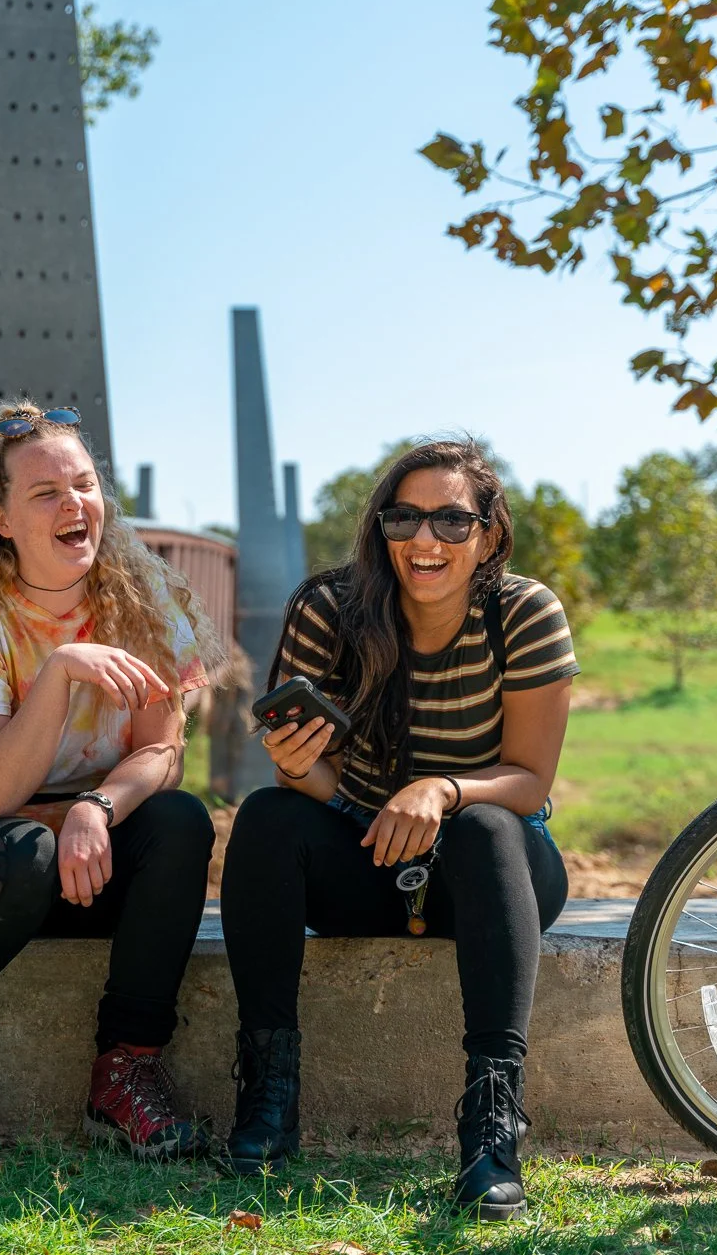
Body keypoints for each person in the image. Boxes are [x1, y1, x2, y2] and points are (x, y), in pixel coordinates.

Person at [217, 438, 576, 1220]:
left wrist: (440, 790)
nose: (426, 539)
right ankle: (269, 1093)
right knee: (269, 817)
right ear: (380, 528)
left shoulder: (525, 611)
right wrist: (296, 761)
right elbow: (311, 785)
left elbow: (530, 781)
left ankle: (491, 1124)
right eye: (405, 517)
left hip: (496, 870)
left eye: (453, 519)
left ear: (488, 534)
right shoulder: (328, 607)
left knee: (483, 823)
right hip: (368, 856)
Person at [0, 401, 222, 1165]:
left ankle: (124, 1072)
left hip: (81, 851)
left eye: (84, 486)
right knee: (20, 846)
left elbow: (164, 751)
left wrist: (98, 805)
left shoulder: (142, 599)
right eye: (46, 493)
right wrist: (60, 672)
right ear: (1, 517)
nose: (74, 505)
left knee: (182, 822)